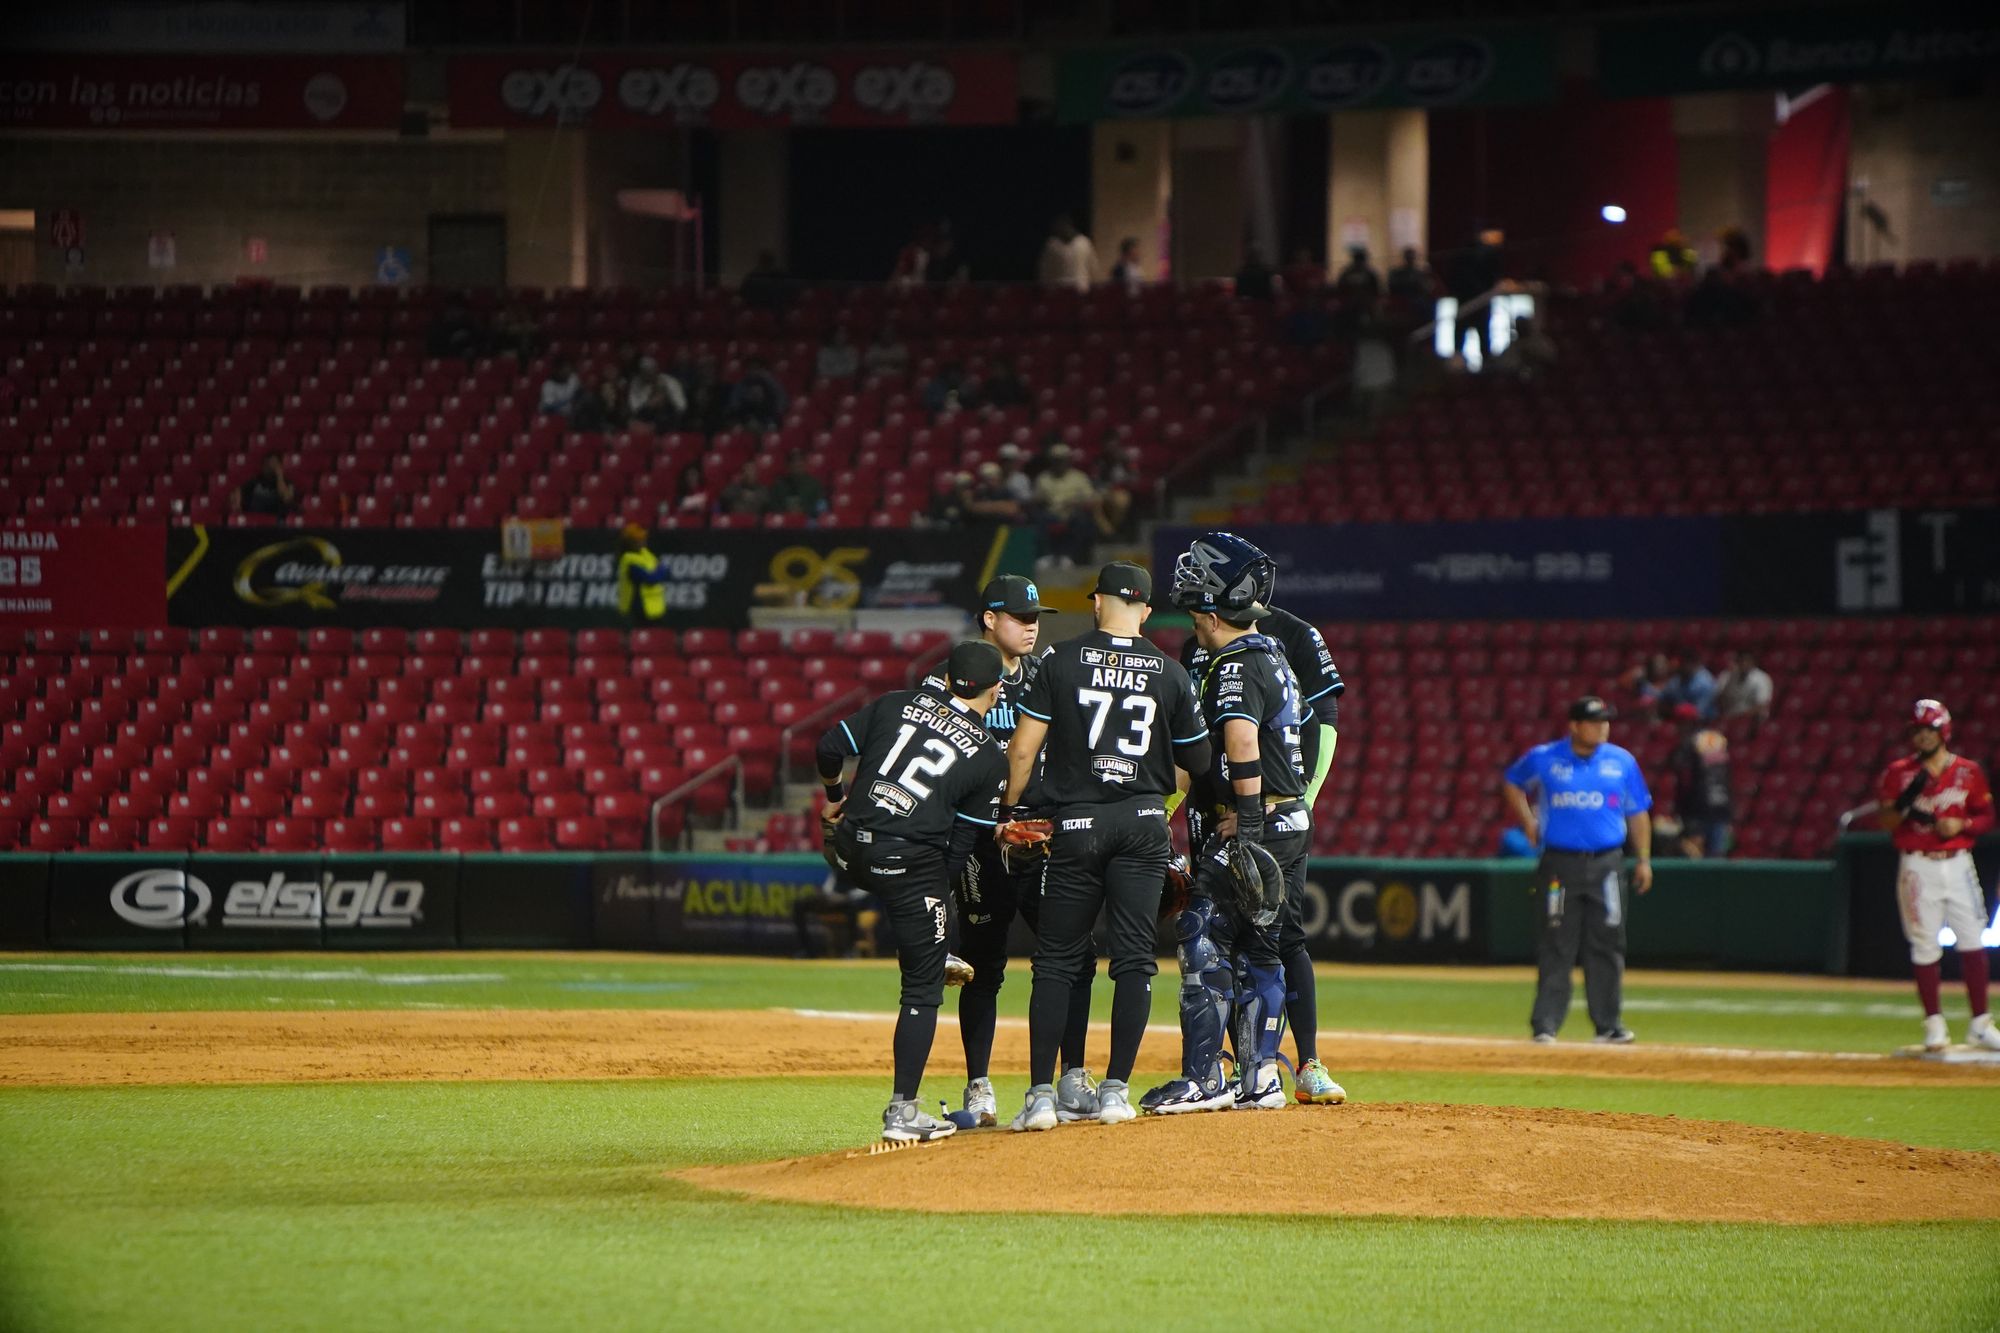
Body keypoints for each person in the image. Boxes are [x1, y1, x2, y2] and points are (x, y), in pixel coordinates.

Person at [1004, 562, 1209, 1130]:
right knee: (1136, 960)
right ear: (1145, 610)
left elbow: (1022, 751)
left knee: (1056, 961)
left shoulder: (1060, 661)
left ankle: (1043, 1096)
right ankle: (1115, 1091)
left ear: (1096, 603)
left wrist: (1010, 809)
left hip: (1076, 824)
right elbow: (1199, 763)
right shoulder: (1171, 673)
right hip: (1144, 823)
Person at [1142, 543, 1337, 1116]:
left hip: (1261, 821)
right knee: (1261, 944)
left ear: (1207, 613)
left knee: (1202, 931)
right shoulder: (1272, 651)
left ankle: (1203, 1078)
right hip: (1291, 817)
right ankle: (1260, 1078)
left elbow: (1242, 743)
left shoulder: (1233, 665)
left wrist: (1247, 822)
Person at [918, 576, 1098, 1127]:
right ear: (989, 619)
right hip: (977, 843)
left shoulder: (1046, 676)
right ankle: (979, 1085)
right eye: (1020, 616)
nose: (1031, 625)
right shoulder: (950, 681)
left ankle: (1072, 1078)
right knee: (982, 967)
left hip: (1041, 839)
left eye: (1035, 616)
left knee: (1076, 958)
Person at [817, 640, 1010, 1142]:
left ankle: (931, 940)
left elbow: (827, 747)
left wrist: (836, 800)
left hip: (851, 851)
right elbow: (963, 844)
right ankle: (903, 1112)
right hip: (909, 864)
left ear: (947, 679)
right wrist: (937, 905)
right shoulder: (990, 756)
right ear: (996, 688)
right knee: (922, 987)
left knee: (867, 856)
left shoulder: (894, 703)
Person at [1502, 696, 1654, 1044]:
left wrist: (1643, 857)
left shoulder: (1622, 761)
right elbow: (1512, 781)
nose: (1603, 727)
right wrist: (1528, 820)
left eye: (1606, 721)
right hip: (1559, 863)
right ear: (1574, 725)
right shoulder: (1545, 757)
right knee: (1556, 942)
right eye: (1595, 721)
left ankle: (1609, 1024)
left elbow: (1638, 812)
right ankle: (1546, 1025)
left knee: (1608, 942)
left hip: (1607, 862)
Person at [1875, 699, 1999, 1053]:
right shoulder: (1899, 772)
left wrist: (1964, 824)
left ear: (1943, 730)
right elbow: (1887, 821)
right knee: (1925, 942)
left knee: (1973, 939)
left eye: (1929, 729)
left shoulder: (1968, 771)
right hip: (1918, 863)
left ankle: (1980, 1023)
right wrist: (1904, 803)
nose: (1923, 736)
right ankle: (1934, 1023)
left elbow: (1986, 816)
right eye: (1918, 730)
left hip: (1958, 860)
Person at [1668, 704, 1734, 859]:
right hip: (1722, 805)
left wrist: (1680, 808)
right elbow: (1726, 775)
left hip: (1697, 807)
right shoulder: (1717, 738)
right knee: (1716, 858)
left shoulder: (1688, 742)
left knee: (1695, 857)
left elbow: (1684, 776)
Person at [1033, 442, 1098, 569]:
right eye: (1056, 460)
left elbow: (1091, 499)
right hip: (1050, 513)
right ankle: (1047, 556)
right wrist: (1041, 500)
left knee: (1082, 521)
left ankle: (1068, 556)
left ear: (1068, 460)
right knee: (1038, 518)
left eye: (1062, 460)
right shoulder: (1043, 478)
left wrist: (1076, 503)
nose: (1059, 463)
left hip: (1073, 513)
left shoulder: (1079, 477)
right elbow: (1036, 499)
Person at [1447, 227, 1506, 365]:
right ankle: (1481, 365)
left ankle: (1469, 365)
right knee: (1480, 335)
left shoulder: (1464, 253)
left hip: (1473, 300)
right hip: (1475, 300)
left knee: (1470, 335)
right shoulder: (1471, 253)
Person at [614, 523, 665, 623]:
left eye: (643, 538)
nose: (643, 541)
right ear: (630, 542)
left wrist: (660, 570)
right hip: (636, 610)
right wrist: (661, 569)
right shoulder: (628, 560)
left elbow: (663, 571)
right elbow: (651, 579)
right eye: (639, 539)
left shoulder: (646, 554)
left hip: (655, 609)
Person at [1038, 215, 1097, 292]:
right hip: (1059, 291)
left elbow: (1093, 268)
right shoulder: (1052, 245)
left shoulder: (1083, 243)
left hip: (1079, 291)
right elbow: (1044, 272)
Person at [726, 359, 788, 432]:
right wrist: (744, 417)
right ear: (747, 371)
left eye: (756, 369)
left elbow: (781, 398)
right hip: (748, 417)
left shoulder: (769, 383)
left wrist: (775, 414)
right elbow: (735, 403)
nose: (754, 372)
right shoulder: (742, 384)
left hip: (768, 416)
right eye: (751, 369)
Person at [1711, 652, 1774, 722]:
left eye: (1747, 661)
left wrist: (1738, 718)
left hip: (1751, 720)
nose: (1743, 664)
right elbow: (1718, 699)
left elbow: (1761, 706)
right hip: (1728, 716)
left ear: (1753, 663)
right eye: (1741, 661)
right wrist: (1730, 679)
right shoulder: (1727, 675)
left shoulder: (1762, 678)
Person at [231, 452, 296, 518]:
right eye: (266, 463)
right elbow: (239, 489)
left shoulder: (287, 483)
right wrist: (237, 502)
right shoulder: (256, 481)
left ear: (279, 465)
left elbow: (286, 498)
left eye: (273, 463)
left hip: (277, 522)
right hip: (255, 521)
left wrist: (279, 475)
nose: (269, 466)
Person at [1656, 648, 1717, 718]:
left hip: (1703, 724)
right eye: (1682, 662)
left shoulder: (1705, 682)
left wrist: (1678, 710)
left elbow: (1698, 713)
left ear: (1695, 663)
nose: (1682, 666)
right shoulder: (1676, 680)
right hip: (1676, 720)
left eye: (1686, 662)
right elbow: (1661, 702)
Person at [764, 450, 826, 518]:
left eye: (800, 462)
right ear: (788, 466)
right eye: (794, 462)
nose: (797, 465)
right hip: (784, 521)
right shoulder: (779, 485)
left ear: (805, 464)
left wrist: (804, 511)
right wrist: (787, 512)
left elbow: (821, 507)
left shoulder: (814, 484)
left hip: (808, 521)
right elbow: (773, 506)